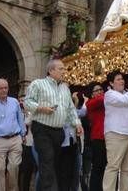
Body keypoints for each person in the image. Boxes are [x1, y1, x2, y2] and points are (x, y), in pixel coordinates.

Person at [24, 59, 83, 191]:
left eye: (64, 69)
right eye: (61, 69)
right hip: (42, 129)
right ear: (51, 71)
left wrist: (77, 124)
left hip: (59, 132)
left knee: (52, 165)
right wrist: (41, 108)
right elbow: (27, 102)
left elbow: (70, 109)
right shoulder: (38, 84)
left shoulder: (64, 88)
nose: (64, 71)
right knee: (47, 160)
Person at [102, 70, 128, 191]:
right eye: (118, 79)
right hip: (116, 134)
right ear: (111, 83)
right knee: (113, 166)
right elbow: (124, 101)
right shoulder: (109, 94)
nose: (122, 81)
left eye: (122, 79)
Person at [0, 78, 26, 191]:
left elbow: (20, 119)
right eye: (1, 88)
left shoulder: (14, 102)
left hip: (15, 139)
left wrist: (23, 134)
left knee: (14, 167)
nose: (4, 90)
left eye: (6, 87)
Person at [85, 84, 106, 191]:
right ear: (92, 94)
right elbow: (99, 100)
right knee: (97, 167)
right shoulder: (90, 102)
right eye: (96, 90)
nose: (99, 92)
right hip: (97, 138)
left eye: (101, 89)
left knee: (105, 167)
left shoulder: (105, 101)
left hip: (108, 138)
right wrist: (109, 94)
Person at [18, 95, 37, 191]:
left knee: (38, 170)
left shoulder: (34, 112)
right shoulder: (21, 113)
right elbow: (25, 123)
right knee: (26, 171)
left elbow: (28, 121)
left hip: (36, 144)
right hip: (27, 144)